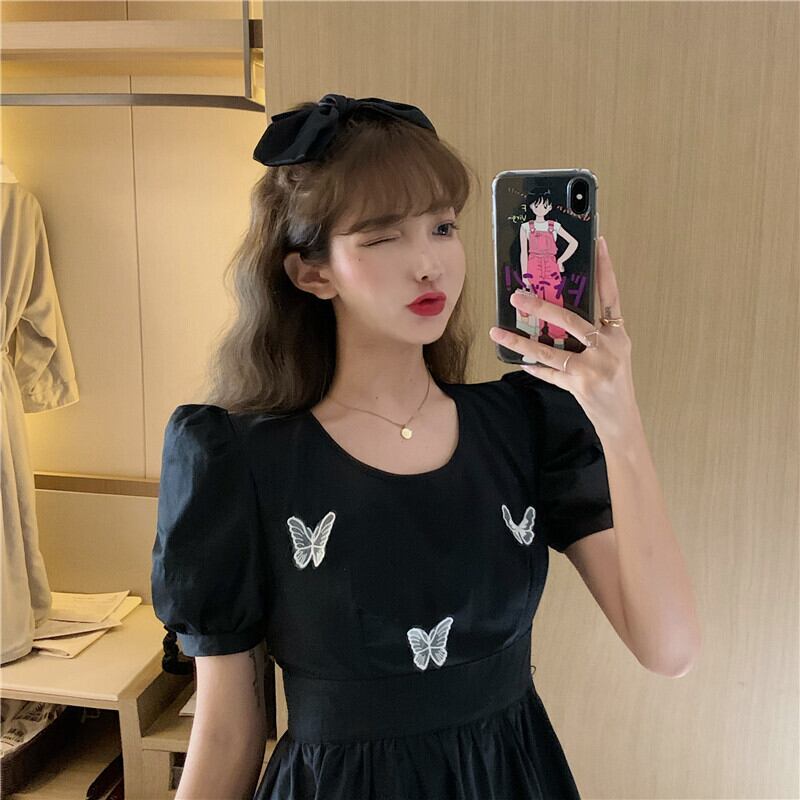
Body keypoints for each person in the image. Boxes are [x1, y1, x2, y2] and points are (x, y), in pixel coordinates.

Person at [151, 93, 618, 799]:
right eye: (381, 237)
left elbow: (669, 648)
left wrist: (619, 406)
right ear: (312, 273)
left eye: (442, 226)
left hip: (511, 777)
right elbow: (226, 733)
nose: (429, 264)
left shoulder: (523, 422)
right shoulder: (237, 459)